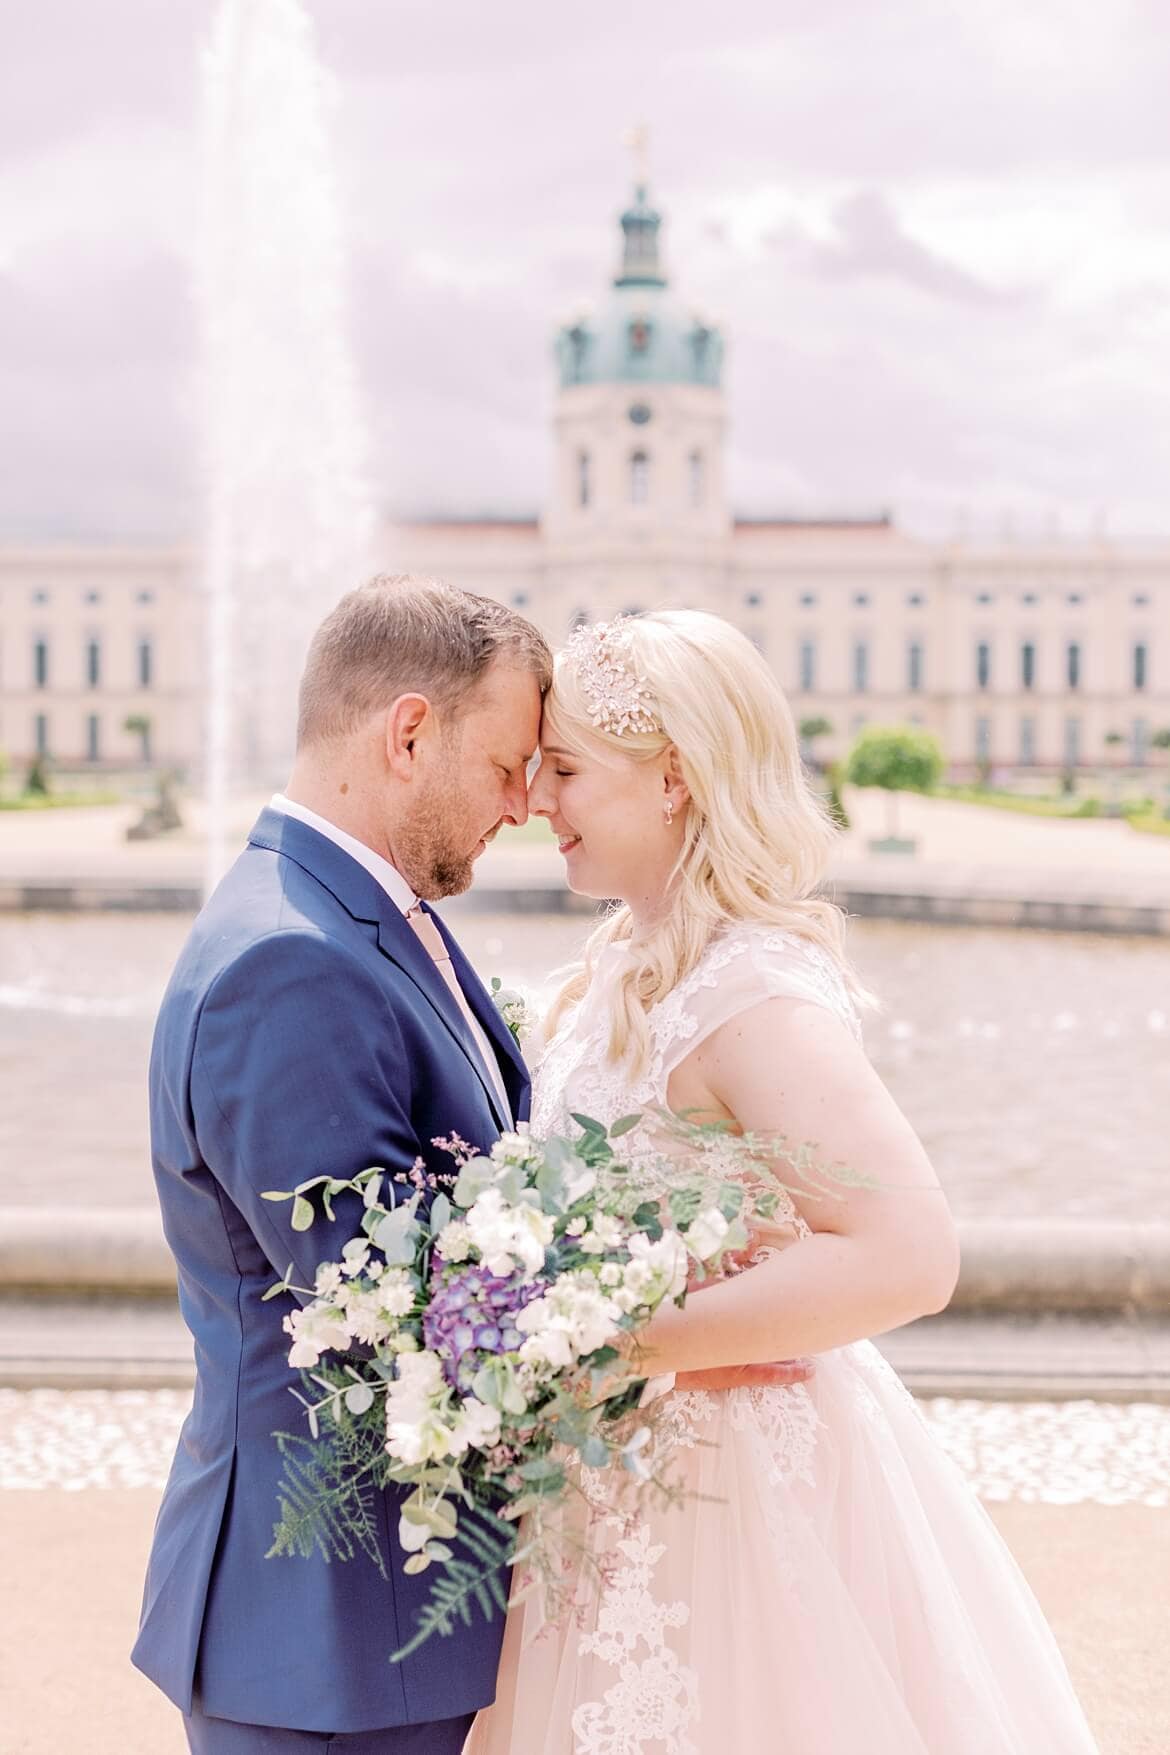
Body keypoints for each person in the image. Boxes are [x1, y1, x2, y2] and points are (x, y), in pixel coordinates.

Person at [132, 576, 810, 1754]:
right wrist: (664, 1287)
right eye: (507, 766)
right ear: (407, 733)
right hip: (332, 1634)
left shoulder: (355, 918)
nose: (523, 804)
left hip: (383, 1618)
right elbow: (394, 1318)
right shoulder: (289, 966)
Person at [465, 610, 1101, 1754]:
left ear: (673, 781)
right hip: (615, 1479)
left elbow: (910, 1253)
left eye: (563, 770)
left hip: (737, 1491)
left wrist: (625, 1341)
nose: (534, 801)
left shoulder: (749, 990)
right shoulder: (623, 955)